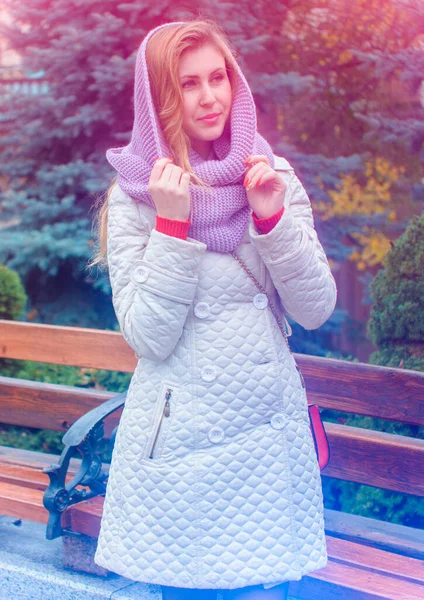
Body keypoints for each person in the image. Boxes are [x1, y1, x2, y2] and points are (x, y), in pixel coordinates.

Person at [89, 17, 337, 600]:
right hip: (182, 448)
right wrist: (172, 225)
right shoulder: (135, 198)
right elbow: (149, 337)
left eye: (217, 78)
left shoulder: (270, 175)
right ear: (158, 100)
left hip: (265, 446)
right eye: (187, 86)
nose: (209, 98)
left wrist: (272, 222)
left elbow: (317, 309)